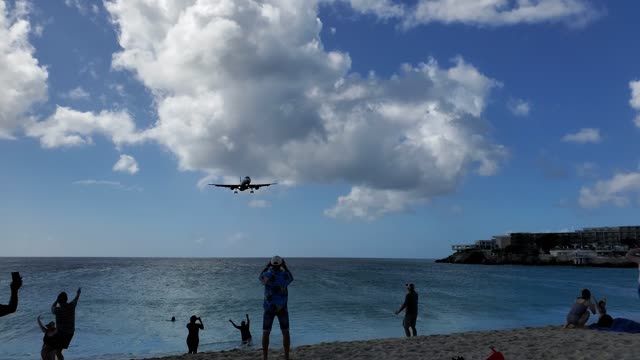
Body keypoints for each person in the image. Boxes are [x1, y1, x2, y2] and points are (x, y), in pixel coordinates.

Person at [259, 255, 293, 360]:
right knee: (285, 332)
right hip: (282, 307)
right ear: (281, 264)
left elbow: (260, 277)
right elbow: (291, 277)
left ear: (271, 263)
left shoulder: (267, 275)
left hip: (269, 308)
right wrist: (285, 266)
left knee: (266, 332)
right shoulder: (284, 275)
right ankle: (286, 357)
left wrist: (267, 266)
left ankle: (265, 357)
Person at [51, 287, 81, 360]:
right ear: (66, 299)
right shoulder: (71, 306)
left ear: (59, 301)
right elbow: (76, 299)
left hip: (62, 334)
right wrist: (78, 293)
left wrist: (56, 301)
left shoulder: (58, 310)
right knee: (58, 351)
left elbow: (52, 308)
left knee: (57, 352)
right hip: (70, 333)